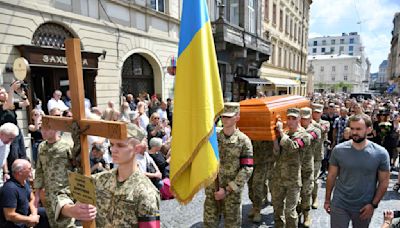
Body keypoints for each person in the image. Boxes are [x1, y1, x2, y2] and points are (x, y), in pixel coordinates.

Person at [55, 126, 160, 227]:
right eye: (112, 144)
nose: (113, 149)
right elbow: (63, 194)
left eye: (120, 145)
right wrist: (71, 210)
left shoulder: (146, 192)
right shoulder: (100, 180)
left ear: (137, 149)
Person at [324, 114, 390, 228]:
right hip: (340, 203)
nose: (354, 132)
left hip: (364, 207)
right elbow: (331, 176)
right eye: (352, 128)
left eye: (358, 129)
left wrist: (373, 205)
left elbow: (384, 182)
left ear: (369, 129)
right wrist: (327, 200)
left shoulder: (381, 153)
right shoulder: (339, 150)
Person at [203, 102, 253, 227]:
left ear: (237, 117)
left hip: (231, 193)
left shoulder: (243, 141)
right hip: (212, 190)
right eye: (223, 116)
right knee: (209, 224)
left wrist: (227, 190)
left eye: (229, 116)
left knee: (232, 225)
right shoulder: (214, 138)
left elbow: (247, 168)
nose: (224, 119)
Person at [271, 108, 311, 228]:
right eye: (288, 118)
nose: (290, 121)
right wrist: (275, 139)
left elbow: (293, 146)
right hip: (279, 177)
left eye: (293, 118)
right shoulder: (285, 134)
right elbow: (277, 154)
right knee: (277, 208)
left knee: (290, 211)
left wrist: (281, 133)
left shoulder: (305, 136)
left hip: (293, 179)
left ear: (299, 119)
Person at [33, 127, 75, 228]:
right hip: (48, 193)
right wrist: (37, 194)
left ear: (55, 129)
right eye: (42, 129)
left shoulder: (67, 145)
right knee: (53, 224)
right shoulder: (42, 146)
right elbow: (39, 170)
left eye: (47, 129)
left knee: (66, 224)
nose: (43, 131)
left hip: (64, 192)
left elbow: (77, 167)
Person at [0, 159, 49, 228]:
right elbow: (9, 215)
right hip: (15, 224)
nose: (31, 170)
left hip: (27, 216)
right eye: (29, 168)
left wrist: (34, 215)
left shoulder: (24, 182)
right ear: (20, 172)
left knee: (46, 213)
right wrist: (28, 220)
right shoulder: (10, 189)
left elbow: (32, 198)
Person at [298, 107, 321, 227]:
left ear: (310, 118)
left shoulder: (315, 130)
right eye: (301, 119)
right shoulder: (293, 130)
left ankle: (306, 215)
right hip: (294, 168)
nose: (303, 121)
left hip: (307, 167)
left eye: (306, 119)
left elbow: (306, 139)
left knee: (306, 192)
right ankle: (297, 214)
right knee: (295, 194)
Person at [247, 140, 276, 223]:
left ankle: (257, 210)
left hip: (263, 160)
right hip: (250, 159)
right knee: (250, 184)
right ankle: (254, 205)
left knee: (257, 185)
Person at [0, 123, 19, 187]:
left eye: (13, 138)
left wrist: (6, 172)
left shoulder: (7, 143)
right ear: (1, 134)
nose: (11, 141)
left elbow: (3, 157)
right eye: (10, 138)